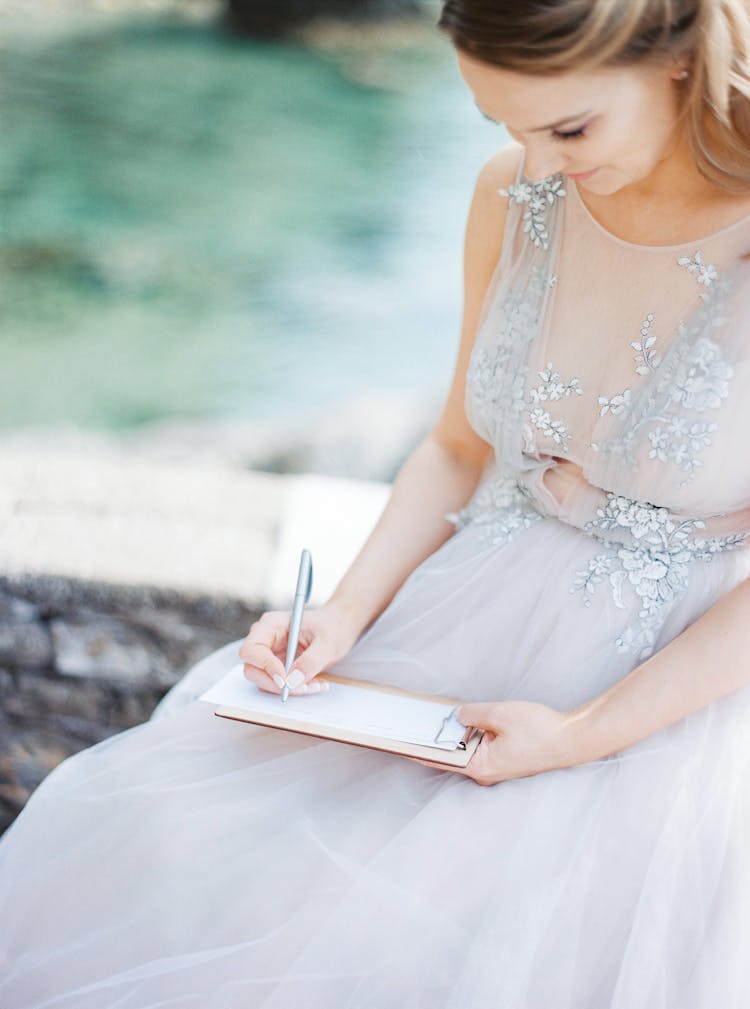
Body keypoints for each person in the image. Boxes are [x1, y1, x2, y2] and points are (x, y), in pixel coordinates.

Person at [2, 1, 750, 1005]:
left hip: (671, 694)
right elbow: (453, 448)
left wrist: (579, 735)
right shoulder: (518, 193)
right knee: (185, 854)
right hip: (459, 623)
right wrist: (344, 615)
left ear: (674, 60)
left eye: (568, 127)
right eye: (503, 125)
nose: (541, 159)